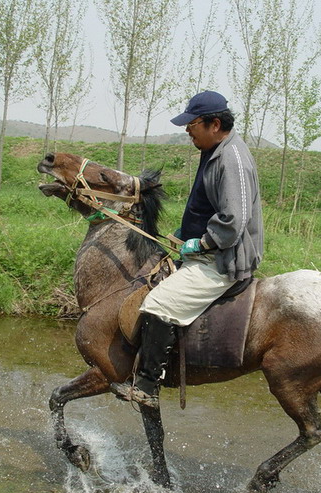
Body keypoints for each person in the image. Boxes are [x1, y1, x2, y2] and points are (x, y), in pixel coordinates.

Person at [112, 90, 264, 408]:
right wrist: (185, 234)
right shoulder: (216, 150)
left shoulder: (231, 159)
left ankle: (147, 388)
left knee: (158, 303)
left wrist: (201, 243)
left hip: (223, 258)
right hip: (208, 251)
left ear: (214, 123)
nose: (187, 130)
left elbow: (234, 220)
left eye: (192, 124)